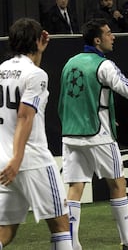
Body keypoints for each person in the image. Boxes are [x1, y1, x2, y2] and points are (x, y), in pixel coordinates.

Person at [58, 18, 128, 250]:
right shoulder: (103, 65)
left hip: (70, 134)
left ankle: (71, 244)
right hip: (99, 135)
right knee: (118, 183)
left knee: (75, 188)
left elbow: (68, 102)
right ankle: (127, 241)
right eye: (108, 33)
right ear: (98, 40)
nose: (113, 36)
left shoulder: (70, 63)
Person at [0, 18, 72, 249]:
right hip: (29, 159)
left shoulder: (1, 70)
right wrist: (17, 160)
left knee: (5, 231)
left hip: (3, 160)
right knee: (61, 222)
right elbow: (25, 116)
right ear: (39, 40)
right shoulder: (36, 74)